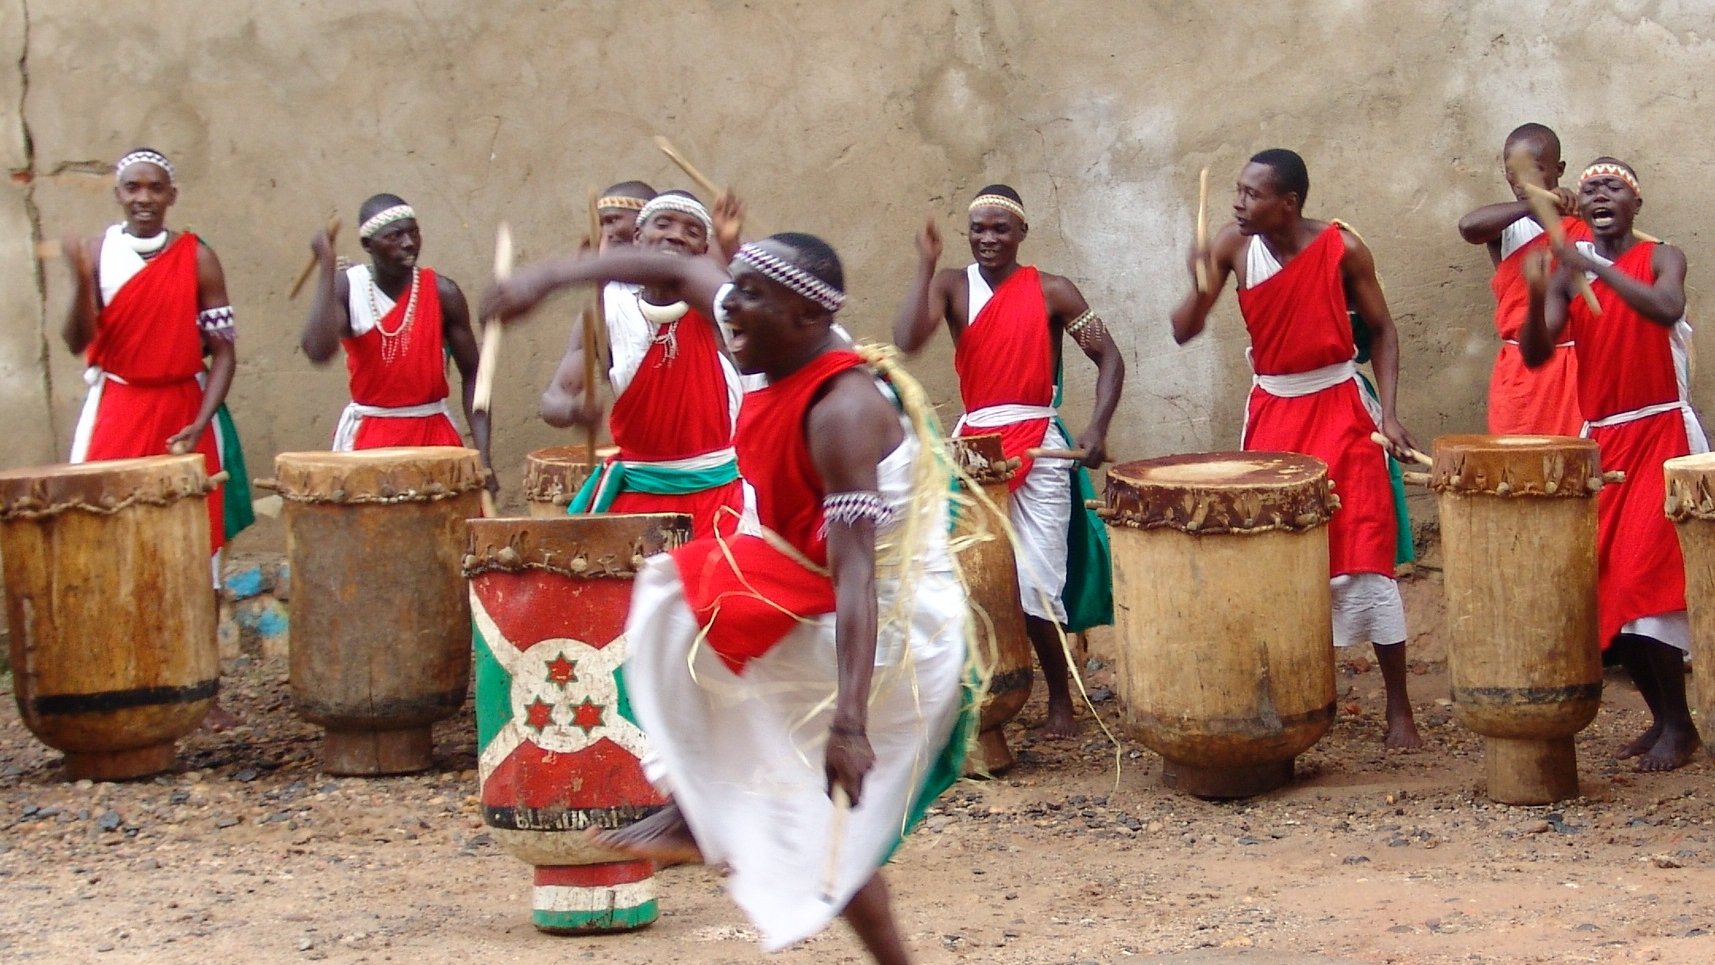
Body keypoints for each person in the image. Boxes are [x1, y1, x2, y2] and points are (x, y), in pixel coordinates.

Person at [484, 234, 970, 964]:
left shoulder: (842, 413)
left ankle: (703, 808)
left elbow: (858, 577)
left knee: (801, 790)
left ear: (806, 314)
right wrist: (548, 275)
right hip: (804, 577)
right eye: (731, 290)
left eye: (749, 297)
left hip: (892, 626)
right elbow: (675, 267)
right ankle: (699, 806)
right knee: (673, 595)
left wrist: (848, 722)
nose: (726, 308)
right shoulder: (771, 334)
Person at [1170, 149, 1423, 749]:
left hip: (1340, 408)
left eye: (1252, 194)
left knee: (1362, 547)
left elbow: (1384, 329)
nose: (1238, 203)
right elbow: (1183, 329)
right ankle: (1298, 701)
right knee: (1279, 560)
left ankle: (1400, 709)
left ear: (1289, 204)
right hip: (1274, 415)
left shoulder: (1343, 248)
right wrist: (1198, 283)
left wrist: (1388, 412)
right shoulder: (1233, 246)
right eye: (1236, 191)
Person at [893, 185, 1123, 738]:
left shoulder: (1053, 291)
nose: (988, 239)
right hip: (975, 445)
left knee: (1037, 577)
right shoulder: (951, 285)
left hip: (1040, 443)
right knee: (972, 571)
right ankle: (979, 704)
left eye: (1000, 229)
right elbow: (906, 339)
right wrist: (924, 266)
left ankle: (1062, 702)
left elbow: (1109, 356)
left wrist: (1096, 427)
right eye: (978, 229)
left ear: (1021, 234)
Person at [1521, 157, 1705, 771]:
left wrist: (1591, 266)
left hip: (1661, 433)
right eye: (1593, 188)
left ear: (1635, 205)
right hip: (1605, 441)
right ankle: (1665, 722)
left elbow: (1665, 309)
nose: (1601, 195)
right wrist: (1537, 292)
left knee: (1643, 583)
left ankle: (1680, 726)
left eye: (1615, 188)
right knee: (1611, 592)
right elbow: (1540, 351)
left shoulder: (1660, 256)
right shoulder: (1567, 272)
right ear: (1581, 205)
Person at [62, 147, 253, 729]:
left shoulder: (198, 258)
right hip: (116, 408)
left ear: (171, 195)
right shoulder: (97, 254)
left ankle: (204, 690)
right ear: (118, 194)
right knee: (110, 540)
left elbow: (224, 352)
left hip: (183, 410)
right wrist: (77, 282)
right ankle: (123, 678)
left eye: (154, 188)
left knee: (200, 554)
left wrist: (200, 418)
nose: (143, 197)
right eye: (132, 188)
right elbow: (77, 340)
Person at [492, 191, 746, 539]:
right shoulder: (604, 314)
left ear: (704, 251)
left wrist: (729, 243)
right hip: (634, 502)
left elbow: (712, 269)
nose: (675, 235)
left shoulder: (717, 310)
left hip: (718, 501)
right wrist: (573, 411)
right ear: (638, 238)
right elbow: (552, 401)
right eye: (663, 224)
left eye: (691, 231)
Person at [299, 194, 495, 492]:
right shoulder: (348, 288)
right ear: (368, 246)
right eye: (395, 236)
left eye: (413, 232)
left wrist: (483, 458)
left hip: (435, 438)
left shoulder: (443, 293)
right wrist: (326, 267)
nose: (408, 243)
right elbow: (318, 350)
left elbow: (474, 377)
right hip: (370, 441)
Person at [1457, 123, 1586, 436]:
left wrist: (1579, 213)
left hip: (1578, 366)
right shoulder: (1506, 228)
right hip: (1521, 372)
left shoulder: (1583, 222)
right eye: (1512, 170)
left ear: (1559, 169)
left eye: (1535, 169)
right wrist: (1535, 202)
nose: (1521, 180)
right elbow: (1468, 227)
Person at [539, 180, 655, 427]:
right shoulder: (600, 311)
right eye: (601, 224)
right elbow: (554, 399)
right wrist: (573, 411)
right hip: (642, 451)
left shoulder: (690, 288)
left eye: (613, 220)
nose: (606, 233)